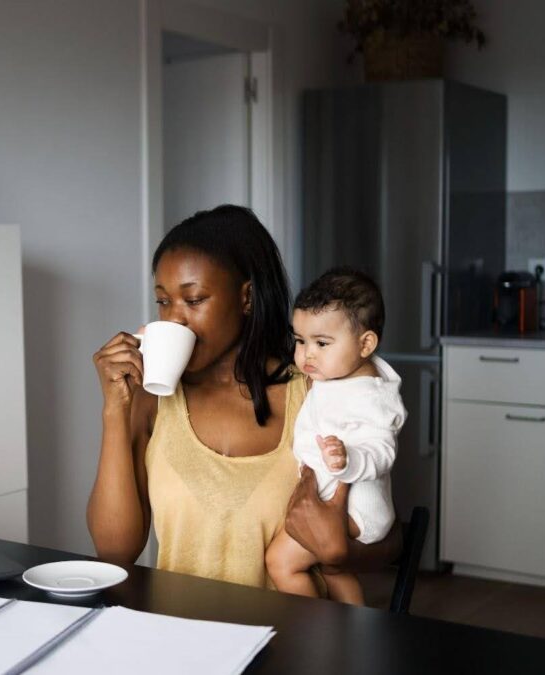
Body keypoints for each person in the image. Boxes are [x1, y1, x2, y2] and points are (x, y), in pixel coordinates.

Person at [87, 205, 400, 593]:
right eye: (163, 301)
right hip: (179, 638)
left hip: (293, 641)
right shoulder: (153, 400)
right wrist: (115, 410)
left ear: (247, 297)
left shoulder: (316, 392)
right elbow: (114, 553)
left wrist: (338, 553)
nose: (174, 320)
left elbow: (387, 537)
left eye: (194, 299)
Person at [265, 268, 407, 605]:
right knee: (335, 572)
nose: (307, 354)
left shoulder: (369, 395)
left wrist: (350, 458)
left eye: (322, 343)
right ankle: (354, 638)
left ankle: (317, 633)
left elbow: (383, 448)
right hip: (341, 507)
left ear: (365, 344)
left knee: (280, 563)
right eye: (300, 341)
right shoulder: (337, 378)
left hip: (355, 509)